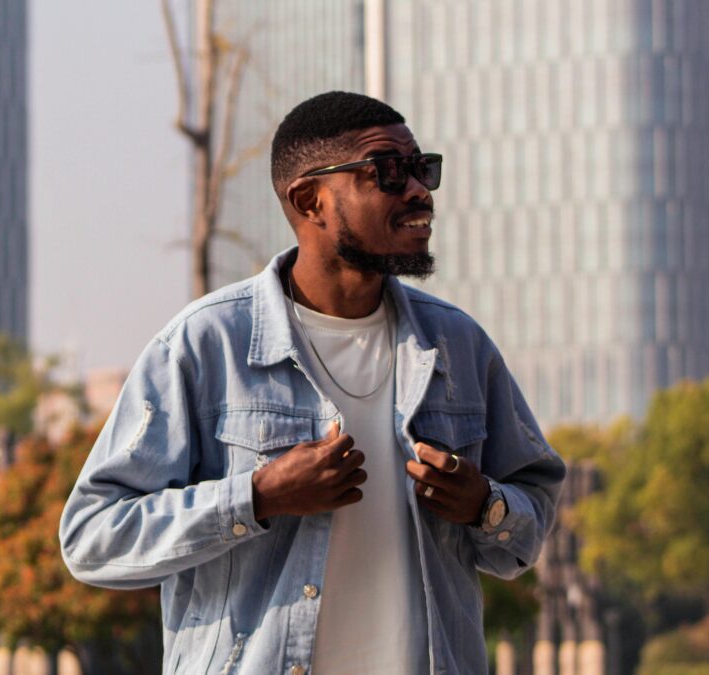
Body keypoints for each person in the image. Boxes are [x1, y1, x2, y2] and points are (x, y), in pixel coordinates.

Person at [60, 91, 566, 674]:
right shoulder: (206, 345)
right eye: (388, 172)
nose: (419, 191)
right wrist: (258, 496)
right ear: (310, 200)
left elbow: (531, 519)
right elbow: (92, 539)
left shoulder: (459, 347)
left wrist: (486, 506)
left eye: (422, 169)